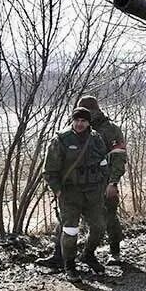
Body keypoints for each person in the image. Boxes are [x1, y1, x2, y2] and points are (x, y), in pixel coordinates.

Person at [42, 107, 110, 282]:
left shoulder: (95, 139)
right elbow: (49, 171)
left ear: (89, 122)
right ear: (72, 120)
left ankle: (88, 255)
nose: (80, 124)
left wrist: (103, 183)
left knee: (99, 227)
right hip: (70, 193)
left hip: (93, 193)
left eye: (84, 121)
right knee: (70, 230)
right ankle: (70, 265)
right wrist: (57, 190)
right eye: (77, 120)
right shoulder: (61, 140)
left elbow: (103, 162)